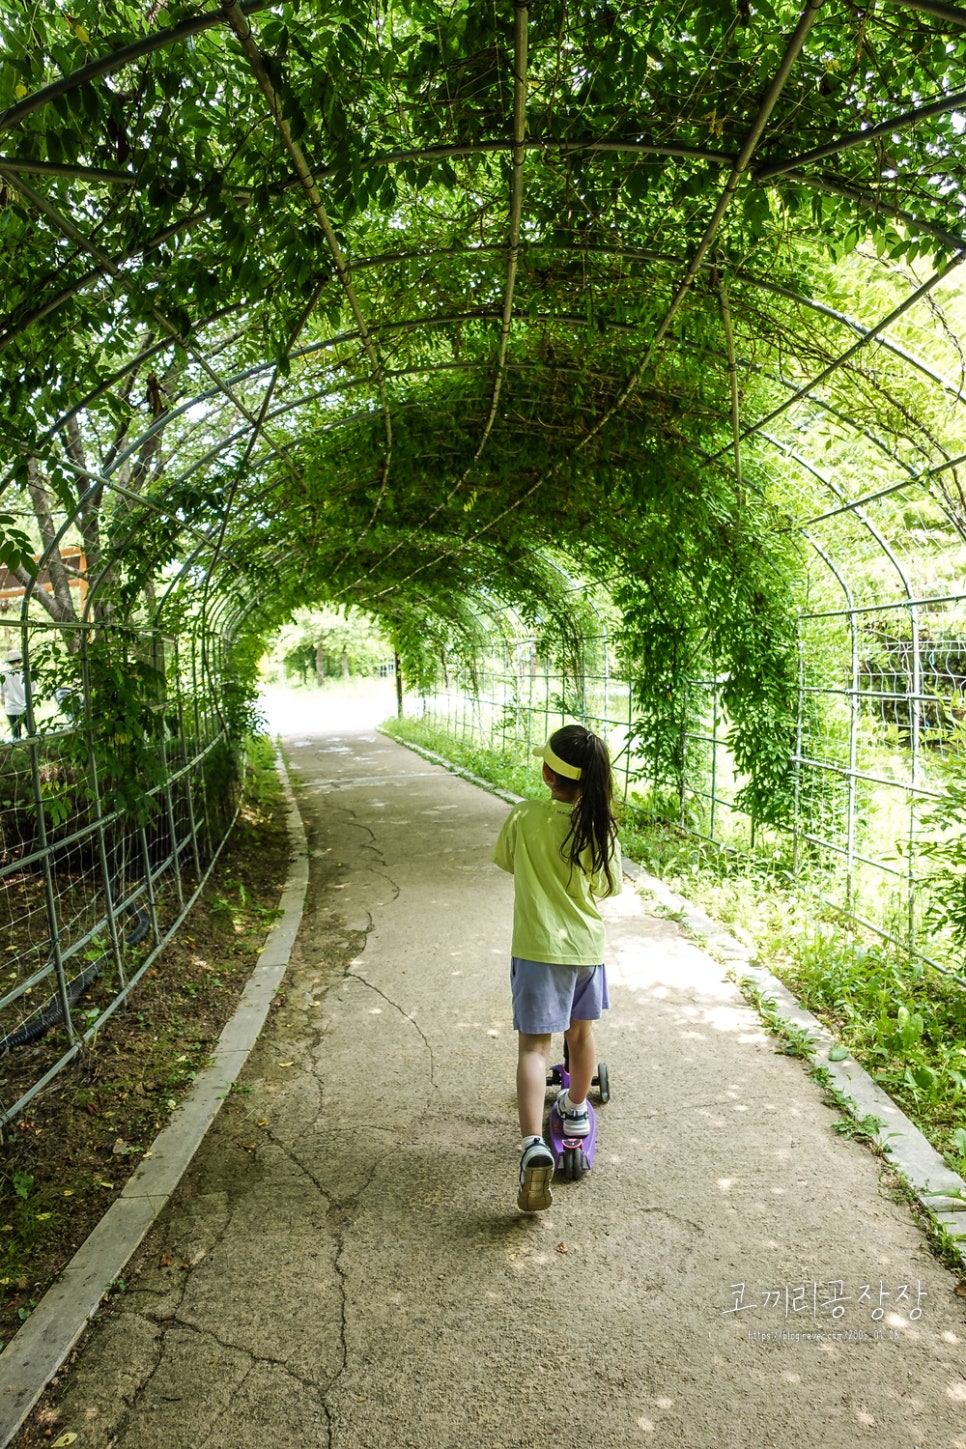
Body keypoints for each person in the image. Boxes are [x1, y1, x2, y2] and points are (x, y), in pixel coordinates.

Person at [492, 723, 622, 1212]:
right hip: (585, 950)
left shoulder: (524, 817)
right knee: (581, 1037)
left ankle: (532, 1146)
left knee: (533, 1048)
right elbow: (609, 888)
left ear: (548, 773)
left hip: (534, 949)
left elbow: (507, 861)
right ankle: (572, 1112)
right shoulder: (598, 824)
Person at [1, 649, 27, 741]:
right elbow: (33, 689)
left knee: (16, 735)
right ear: (20, 660)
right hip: (25, 707)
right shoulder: (26, 672)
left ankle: (18, 752)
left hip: (11, 709)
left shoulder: (3, 675)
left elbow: (2, 692)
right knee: (32, 732)